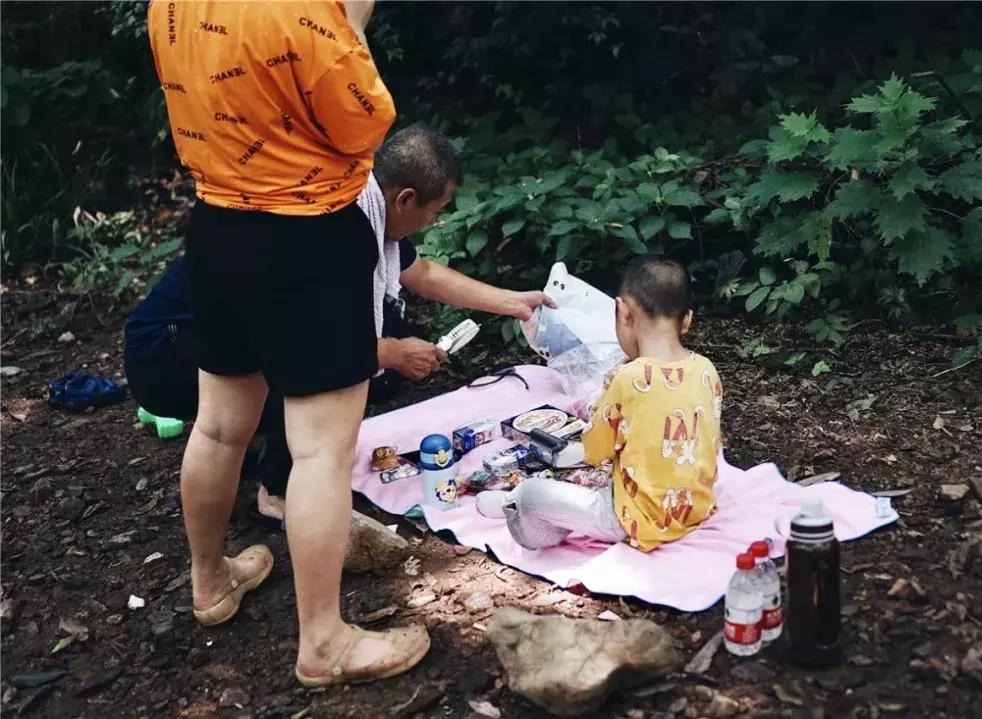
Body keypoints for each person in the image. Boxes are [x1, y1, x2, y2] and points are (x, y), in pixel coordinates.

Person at [147, 0, 427, 687]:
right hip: (307, 238)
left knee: (217, 427)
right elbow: (366, 123)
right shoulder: (302, 9)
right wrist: (352, 19)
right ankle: (324, 642)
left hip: (217, 225)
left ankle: (210, 581)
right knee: (319, 452)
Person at [124, 125, 552, 532]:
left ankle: (257, 445)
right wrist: (393, 353)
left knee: (364, 372)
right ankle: (277, 492)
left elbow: (421, 273)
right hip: (166, 350)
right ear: (404, 199)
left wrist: (512, 302)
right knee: (333, 385)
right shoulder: (340, 229)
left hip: (219, 332)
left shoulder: (359, 201)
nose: (434, 223)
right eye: (434, 212)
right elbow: (314, 342)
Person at [476, 255, 724, 552]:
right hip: (694, 509)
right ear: (687, 320)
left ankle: (511, 502)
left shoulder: (628, 377)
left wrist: (605, 394)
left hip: (633, 519)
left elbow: (595, 451)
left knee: (530, 495)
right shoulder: (707, 369)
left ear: (623, 312)